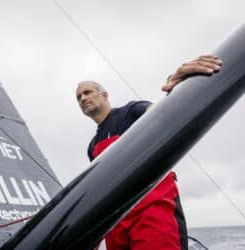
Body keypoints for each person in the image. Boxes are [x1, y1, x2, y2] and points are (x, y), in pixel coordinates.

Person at [75, 55, 222, 250]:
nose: (83, 98)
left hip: (153, 215)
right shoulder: (92, 147)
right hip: (116, 228)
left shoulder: (131, 111)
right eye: (79, 97)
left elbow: (163, 114)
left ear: (104, 95)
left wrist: (177, 86)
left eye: (87, 92)